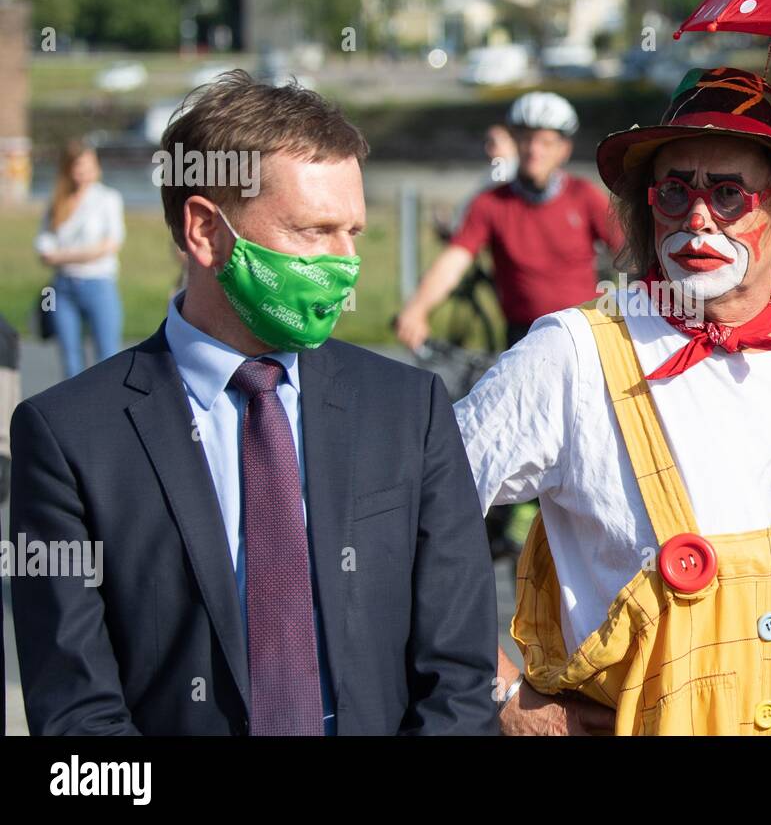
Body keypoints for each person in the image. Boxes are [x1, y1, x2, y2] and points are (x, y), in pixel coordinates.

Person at [457, 66, 771, 735]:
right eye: (675, 190)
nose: (697, 216)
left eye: (729, 193)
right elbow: (402, 519)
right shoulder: (571, 354)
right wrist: (503, 696)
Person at [8, 70, 498, 735]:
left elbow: (459, 677)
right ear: (206, 231)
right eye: (314, 230)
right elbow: (75, 713)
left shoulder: (408, 411)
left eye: (353, 231)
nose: (346, 262)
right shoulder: (69, 437)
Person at [395, 91, 624, 351]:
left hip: (585, 332)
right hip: (523, 337)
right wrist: (418, 307)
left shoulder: (584, 196)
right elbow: (455, 259)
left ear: (564, 150)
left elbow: (631, 254)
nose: (534, 150)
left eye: (545, 142)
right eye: (526, 140)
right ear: (514, 142)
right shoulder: (490, 203)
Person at [34, 140, 125, 378]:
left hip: (99, 284)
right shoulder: (57, 202)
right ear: (68, 168)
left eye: (88, 166)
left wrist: (64, 255)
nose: (83, 172)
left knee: (107, 358)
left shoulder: (108, 199)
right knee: (70, 360)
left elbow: (110, 244)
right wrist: (80, 255)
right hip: (61, 289)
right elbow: (44, 250)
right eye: (78, 166)